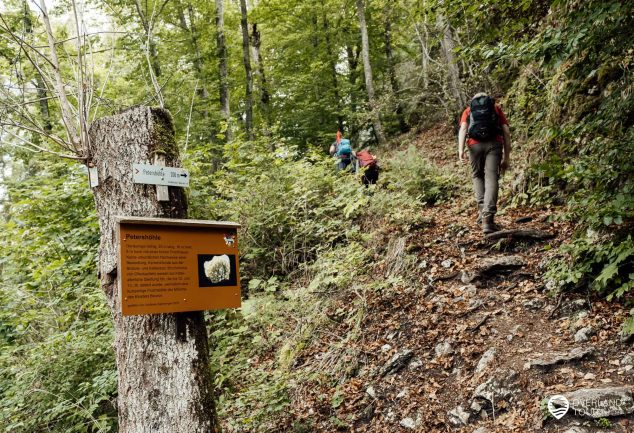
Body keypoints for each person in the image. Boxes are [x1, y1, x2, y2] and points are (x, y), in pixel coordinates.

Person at [458, 92, 511, 234]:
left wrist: (460, 150)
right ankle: (488, 220)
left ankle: (482, 212)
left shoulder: (468, 110)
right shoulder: (495, 108)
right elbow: (506, 130)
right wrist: (507, 156)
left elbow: (463, 129)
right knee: (491, 178)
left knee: (477, 176)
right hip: (494, 144)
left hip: (474, 146)